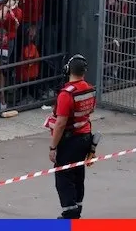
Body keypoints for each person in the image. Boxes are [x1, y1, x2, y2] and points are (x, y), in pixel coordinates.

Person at [45, 54, 96, 219]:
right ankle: (77, 208)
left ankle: (69, 212)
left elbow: (60, 124)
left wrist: (53, 147)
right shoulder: (90, 89)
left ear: (68, 70)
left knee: (63, 176)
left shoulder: (66, 94)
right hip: (86, 136)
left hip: (70, 141)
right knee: (78, 173)